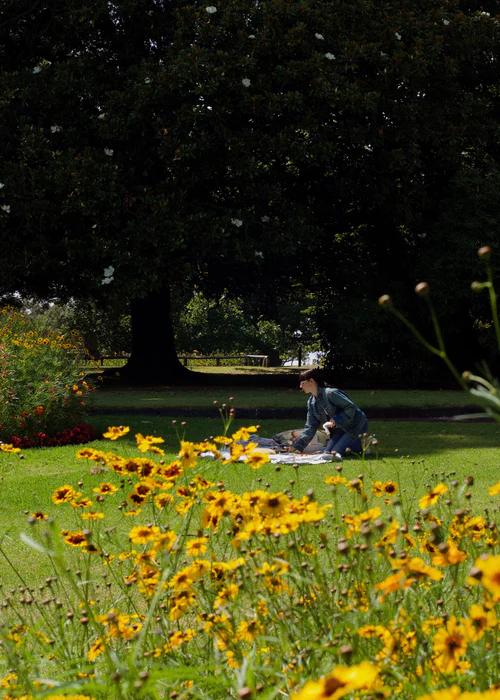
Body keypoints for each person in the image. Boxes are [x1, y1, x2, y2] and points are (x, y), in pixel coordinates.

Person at [291, 368, 368, 459]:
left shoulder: (331, 393)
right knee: (327, 453)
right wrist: (298, 447)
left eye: (302, 383)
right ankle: (352, 446)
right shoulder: (311, 402)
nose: (300, 386)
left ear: (311, 381)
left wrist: (336, 419)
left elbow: (351, 408)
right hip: (338, 430)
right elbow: (310, 426)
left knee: (334, 454)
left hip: (354, 426)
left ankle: (361, 445)